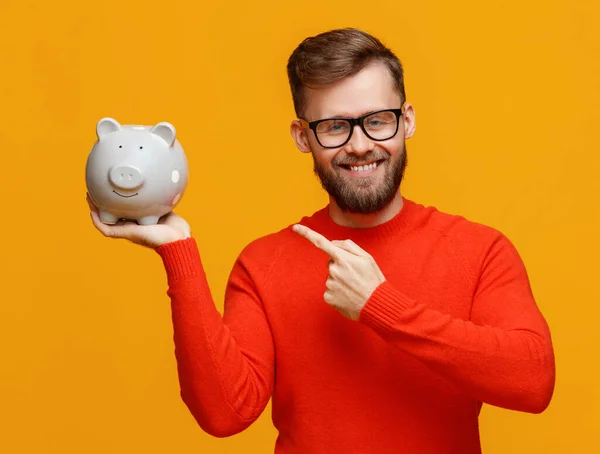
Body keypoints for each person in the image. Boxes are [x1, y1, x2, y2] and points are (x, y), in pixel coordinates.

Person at [87, 27, 555, 453]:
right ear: (301, 137)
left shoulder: (479, 250)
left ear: (407, 120)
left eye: (378, 119)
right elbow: (225, 414)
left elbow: (534, 382)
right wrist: (177, 251)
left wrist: (381, 306)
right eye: (334, 126)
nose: (359, 144)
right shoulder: (263, 263)